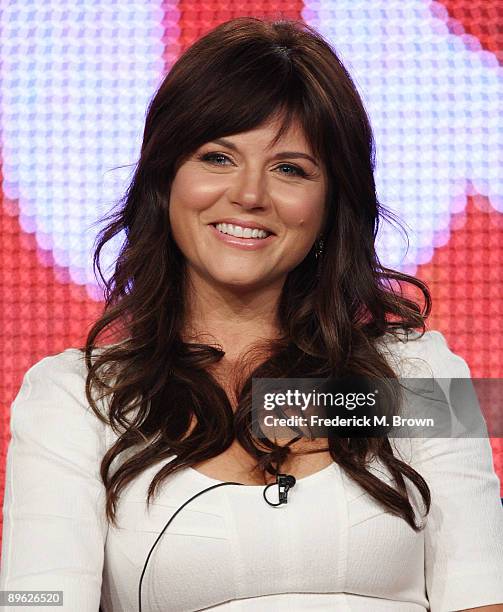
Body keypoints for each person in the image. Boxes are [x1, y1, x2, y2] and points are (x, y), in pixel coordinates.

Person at [1, 16, 503, 612]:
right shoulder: (76, 398)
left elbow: (483, 591)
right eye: (217, 157)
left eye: (290, 168)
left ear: (331, 203)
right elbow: (40, 601)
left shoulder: (419, 375)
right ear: (166, 180)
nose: (249, 194)